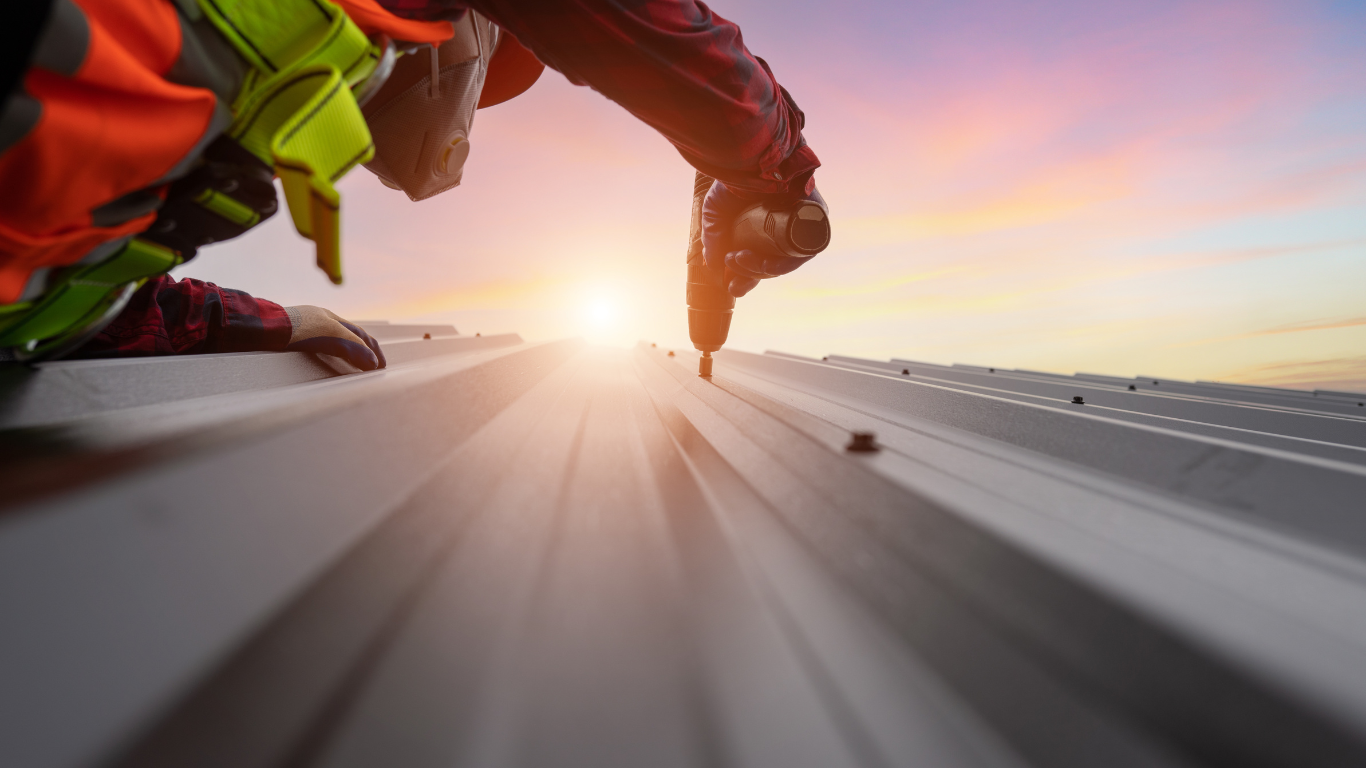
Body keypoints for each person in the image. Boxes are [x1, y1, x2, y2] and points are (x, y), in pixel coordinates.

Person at [0, 0, 826, 370]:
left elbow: (42, 280)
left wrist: (232, 321)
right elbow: (656, 37)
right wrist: (776, 162)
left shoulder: (180, 105)